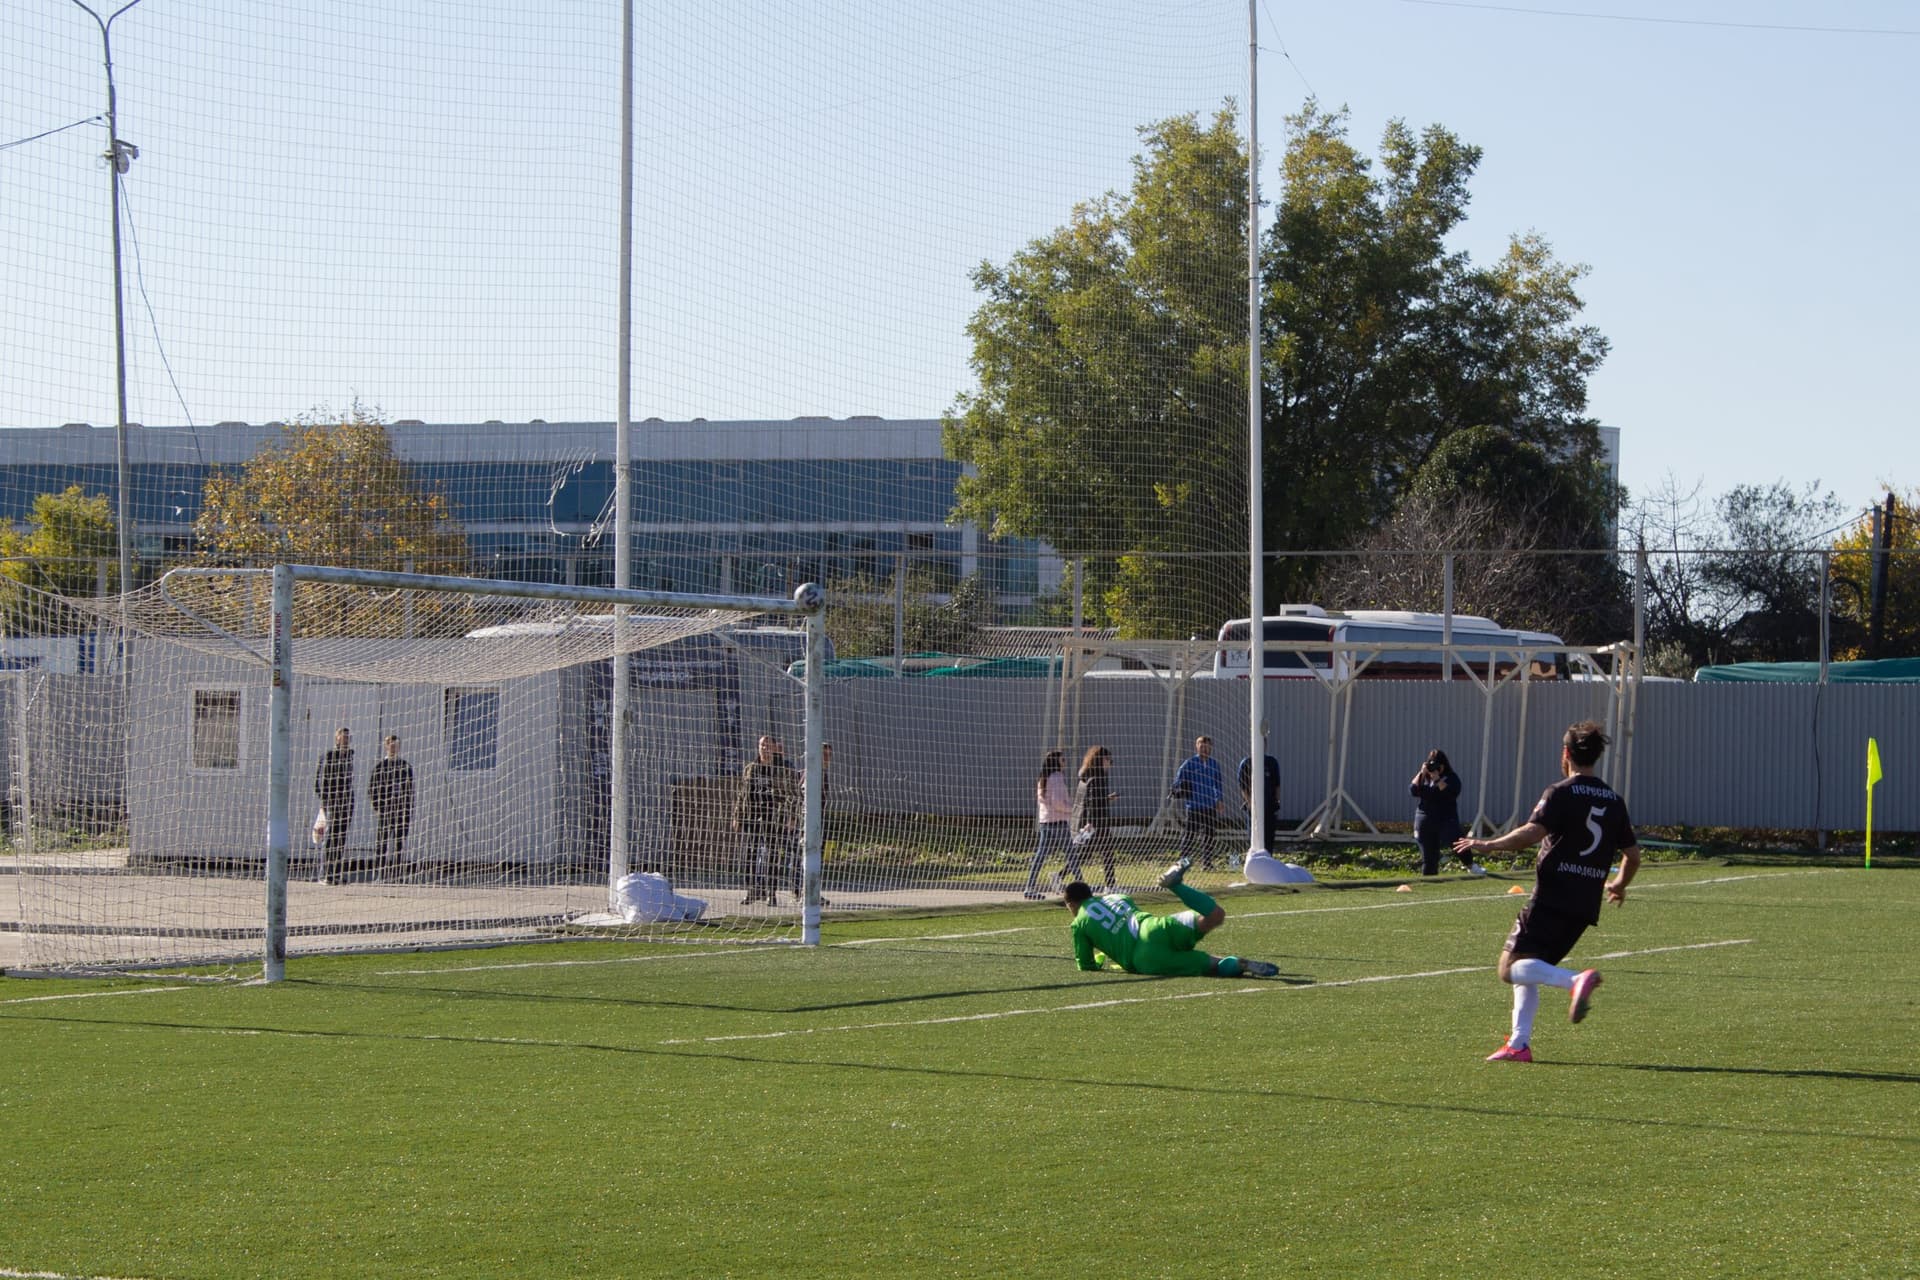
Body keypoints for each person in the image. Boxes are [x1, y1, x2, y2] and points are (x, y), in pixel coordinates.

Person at [1455, 720, 1642, 1063]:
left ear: (1566, 753)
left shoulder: (1560, 792)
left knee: (1508, 968)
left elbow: (1530, 833)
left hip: (1551, 896)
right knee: (1530, 965)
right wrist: (1619, 885)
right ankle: (1519, 1044)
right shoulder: (1614, 801)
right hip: (1584, 904)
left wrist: (1486, 845)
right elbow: (1632, 856)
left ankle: (1575, 981)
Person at [1063, 858, 1279, 978]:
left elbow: (1086, 965)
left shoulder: (1079, 922)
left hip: (1143, 957)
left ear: (1071, 904)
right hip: (1155, 927)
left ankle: (1236, 964)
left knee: (1213, 967)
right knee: (1213, 916)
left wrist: (1102, 959)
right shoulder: (1118, 897)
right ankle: (1175, 885)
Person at [732, 734, 798, 905]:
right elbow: (742, 794)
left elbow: (793, 794)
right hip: (752, 815)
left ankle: (771, 893)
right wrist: (737, 816)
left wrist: (792, 816)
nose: (765, 748)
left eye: (768, 745)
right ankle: (752, 891)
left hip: (774, 816)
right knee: (751, 854)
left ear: (775, 748)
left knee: (772, 854)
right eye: (762, 745)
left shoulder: (783, 769)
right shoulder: (751, 768)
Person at [1023, 749, 1074, 900]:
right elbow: (1057, 802)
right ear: (1056, 762)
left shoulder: (1042, 778)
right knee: (1071, 854)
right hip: (1058, 821)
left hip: (1045, 821)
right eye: (1063, 760)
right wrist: (1072, 809)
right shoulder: (1057, 777)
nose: (1065, 762)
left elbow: (1043, 800)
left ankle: (1029, 887)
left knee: (1041, 854)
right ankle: (1082, 884)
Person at [1409, 748, 1468, 877]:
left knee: (1457, 841)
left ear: (1443, 766)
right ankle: (1429, 879)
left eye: (1437, 766)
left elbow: (1450, 793)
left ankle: (1471, 865)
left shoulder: (1451, 778)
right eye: (1432, 765)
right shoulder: (1424, 778)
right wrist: (1422, 772)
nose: (1435, 769)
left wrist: (1437, 779)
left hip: (1446, 818)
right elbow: (1413, 790)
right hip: (1425, 818)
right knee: (1429, 856)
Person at [1067, 745, 1118, 892]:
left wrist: (1107, 798)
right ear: (1102, 759)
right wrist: (1090, 822)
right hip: (1096, 822)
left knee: (1105, 852)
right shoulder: (1097, 777)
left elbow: (1095, 799)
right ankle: (1060, 875)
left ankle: (1111, 885)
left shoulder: (1090, 775)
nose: (1110, 764)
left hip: (1096, 821)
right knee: (1088, 853)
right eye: (1109, 760)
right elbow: (1091, 801)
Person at [1171, 735, 1226, 871]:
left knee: (1209, 835)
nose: (1205, 750)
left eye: (1207, 747)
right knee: (1190, 835)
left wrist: (1219, 800)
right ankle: (1183, 863)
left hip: (1209, 806)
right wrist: (1182, 787)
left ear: (1211, 748)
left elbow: (1218, 784)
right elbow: (1178, 781)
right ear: (1197, 747)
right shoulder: (1189, 764)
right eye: (1202, 747)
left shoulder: (1214, 765)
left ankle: (1207, 863)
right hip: (1194, 806)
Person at [313, 726, 355, 882]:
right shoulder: (329, 756)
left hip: (346, 802)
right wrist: (325, 803)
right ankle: (325, 873)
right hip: (332, 802)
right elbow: (321, 781)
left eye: (347, 737)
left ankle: (336, 873)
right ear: (336, 738)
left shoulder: (349, 756)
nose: (345, 739)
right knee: (330, 837)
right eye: (342, 736)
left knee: (341, 838)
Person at [368, 733, 415, 863]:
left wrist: (408, 808)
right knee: (382, 841)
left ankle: (397, 872)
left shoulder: (405, 766)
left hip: (401, 810)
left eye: (396, 746)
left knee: (399, 841)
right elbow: (372, 789)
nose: (393, 748)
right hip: (385, 809)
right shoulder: (379, 767)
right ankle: (380, 871)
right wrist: (377, 807)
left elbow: (410, 790)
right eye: (391, 746)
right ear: (386, 747)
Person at [1238, 749, 1281, 853]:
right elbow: (1242, 786)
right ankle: (1255, 860)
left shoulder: (1271, 762)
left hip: (1269, 806)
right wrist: (1249, 803)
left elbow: (1277, 784)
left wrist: (1277, 801)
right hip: (1253, 807)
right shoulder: (1247, 762)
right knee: (1254, 836)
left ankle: (1268, 859)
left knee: (1269, 837)